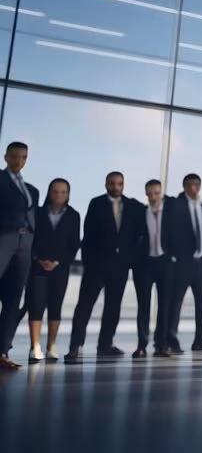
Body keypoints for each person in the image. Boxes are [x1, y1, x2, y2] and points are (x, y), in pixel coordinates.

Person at [66, 171, 144, 362]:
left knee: (113, 307)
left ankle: (105, 345)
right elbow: (88, 234)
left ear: (123, 184)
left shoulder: (134, 206)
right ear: (106, 184)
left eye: (119, 183)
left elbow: (140, 235)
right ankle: (76, 345)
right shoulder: (96, 203)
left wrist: (130, 259)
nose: (115, 187)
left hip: (120, 267)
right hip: (96, 266)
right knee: (84, 306)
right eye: (111, 183)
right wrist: (88, 262)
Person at [23, 178, 80, 363]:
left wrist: (59, 261)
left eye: (63, 192)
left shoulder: (73, 215)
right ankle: (35, 346)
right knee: (36, 306)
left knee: (55, 307)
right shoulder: (38, 213)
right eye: (56, 191)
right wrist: (39, 259)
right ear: (49, 192)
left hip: (60, 268)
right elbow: (31, 238)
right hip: (37, 266)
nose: (59, 195)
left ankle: (51, 347)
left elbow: (74, 244)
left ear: (68, 194)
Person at [0, 141, 39, 370]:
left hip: (26, 243)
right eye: (14, 156)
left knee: (14, 299)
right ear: (6, 157)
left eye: (23, 157)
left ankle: (3, 350)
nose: (18, 160)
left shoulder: (32, 189)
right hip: (4, 238)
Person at [166, 173, 202, 353]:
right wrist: (173, 255)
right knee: (176, 301)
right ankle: (171, 339)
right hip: (182, 262)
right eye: (190, 185)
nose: (193, 188)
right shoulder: (175, 205)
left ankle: (200, 339)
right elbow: (168, 231)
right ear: (184, 186)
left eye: (196, 185)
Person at [134, 179, 174, 358]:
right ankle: (141, 344)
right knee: (143, 305)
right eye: (150, 194)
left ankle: (162, 344)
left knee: (165, 305)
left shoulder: (171, 212)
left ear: (161, 193)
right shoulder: (141, 213)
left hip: (165, 262)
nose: (153, 197)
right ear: (146, 194)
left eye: (156, 193)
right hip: (145, 263)